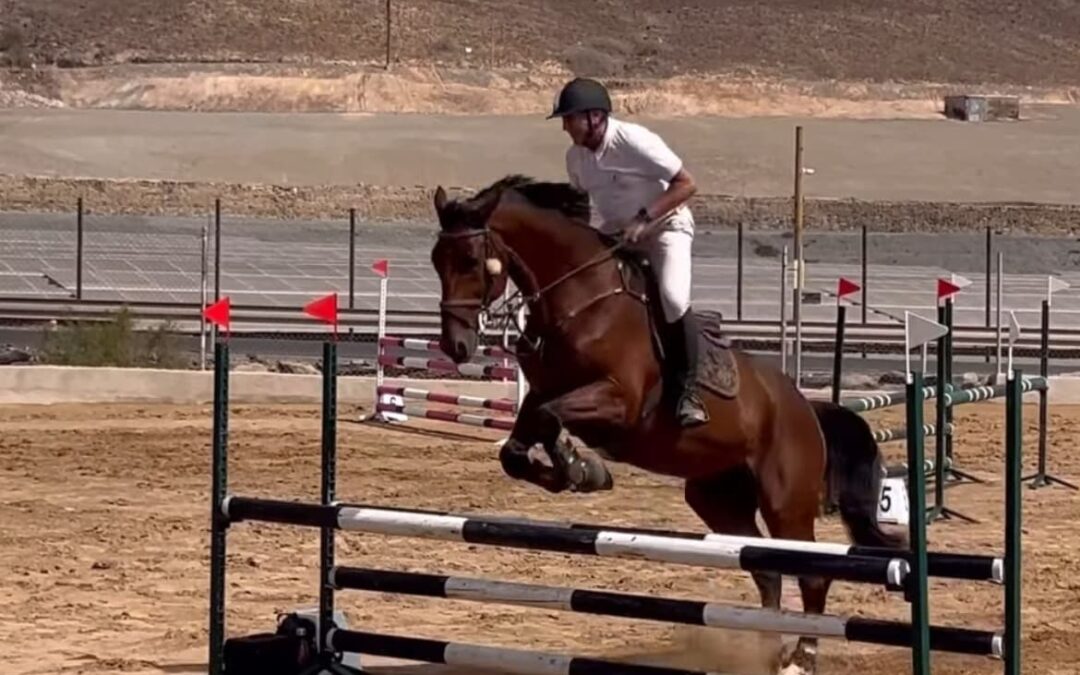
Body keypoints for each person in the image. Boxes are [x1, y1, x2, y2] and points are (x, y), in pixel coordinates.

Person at [548, 77, 707, 427]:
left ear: (594, 118)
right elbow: (584, 209)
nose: (564, 126)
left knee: (673, 298)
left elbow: (687, 183)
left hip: (666, 227)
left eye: (569, 118)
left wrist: (645, 218)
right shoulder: (575, 158)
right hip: (618, 232)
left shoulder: (634, 140)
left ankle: (687, 393)